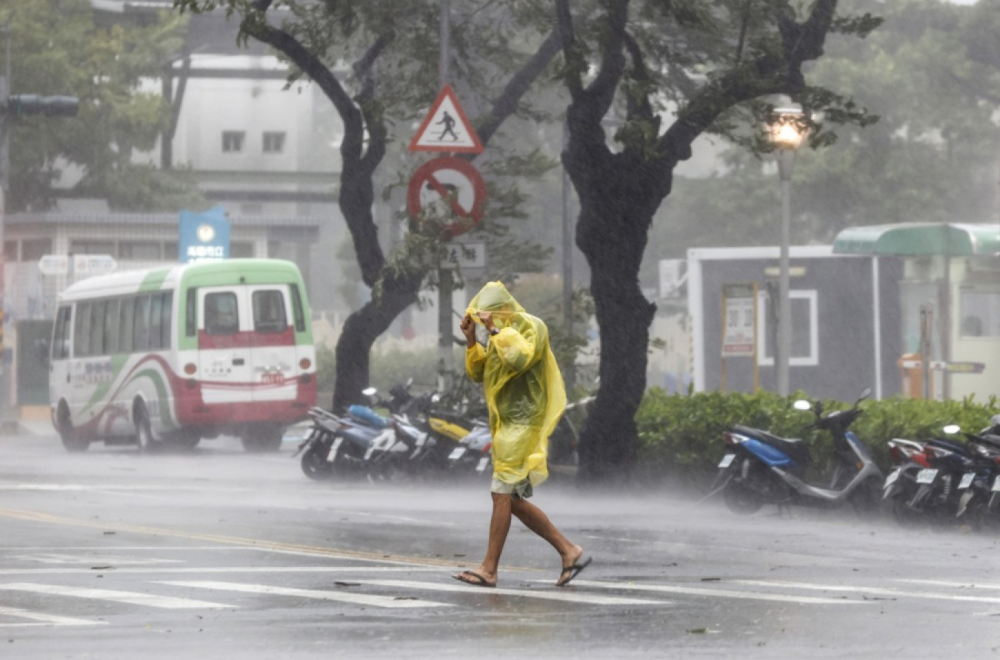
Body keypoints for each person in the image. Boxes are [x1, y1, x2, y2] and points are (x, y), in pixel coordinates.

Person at [452, 281, 590, 588]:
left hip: (524, 423)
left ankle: (489, 569)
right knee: (510, 499)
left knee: (501, 493)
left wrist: (495, 332)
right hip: (504, 425)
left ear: (503, 309)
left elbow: (520, 359)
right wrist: (472, 339)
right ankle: (569, 550)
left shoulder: (530, 327)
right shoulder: (496, 336)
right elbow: (478, 374)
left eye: (488, 315)